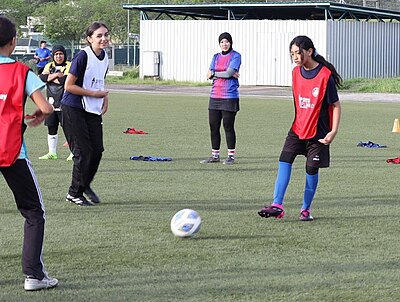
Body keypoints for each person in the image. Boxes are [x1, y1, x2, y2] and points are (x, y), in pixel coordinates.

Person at [0, 16, 58, 291]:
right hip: (11, 152)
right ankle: (34, 276)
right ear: (13, 42)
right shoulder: (23, 72)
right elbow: (47, 109)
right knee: (34, 212)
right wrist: (35, 115)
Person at [258, 35, 342, 221]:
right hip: (297, 128)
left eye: (298, 52)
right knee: (284, 160)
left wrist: (333, 131)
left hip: (319, 134)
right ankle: (277, 205)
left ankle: (305, 209)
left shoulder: (324, 75)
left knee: (311, 170)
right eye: (292, 53)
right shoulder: (296, 73)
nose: (295, 57)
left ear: (309, 51)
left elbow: (335, 105)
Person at [61, 21, 110, 206]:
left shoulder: (105, 56)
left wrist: (104, 97)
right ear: (89, 39)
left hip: (92, 108)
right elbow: (69, 86)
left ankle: (85, 185)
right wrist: (94, 94)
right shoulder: (83, 56)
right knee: (83, 152)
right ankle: (74, 193)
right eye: (99, 36)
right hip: (73, 108)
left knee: (97, 151)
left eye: (105, 35)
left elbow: (98, 81)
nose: (103, 38)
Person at [201, 32, 241, 165]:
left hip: (229, 96)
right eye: (222, 42)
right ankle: (215, 155)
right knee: (213, 127)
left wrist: (215, 74)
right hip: (215, 96)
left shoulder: (236, 55)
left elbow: (229, 73)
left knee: (228, 126)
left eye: (227, 41)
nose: (225, 44)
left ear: (231, 42)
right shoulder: (215, 57)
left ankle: (231, 156)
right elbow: (208, 74)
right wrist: (222, 74)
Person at [39, 44, 73, 161]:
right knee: (51, 127)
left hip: (65, 102)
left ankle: (73, 152)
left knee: (68, 129)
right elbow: (42, 78)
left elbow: (66, 80)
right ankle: (52, 153)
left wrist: (52, 78)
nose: (58, 56)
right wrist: (58, 75)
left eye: (61, 54)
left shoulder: (69, 65)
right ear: (53, 55)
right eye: (56, 54)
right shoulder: (49, 65)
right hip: (51, 103)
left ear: (64, 55)